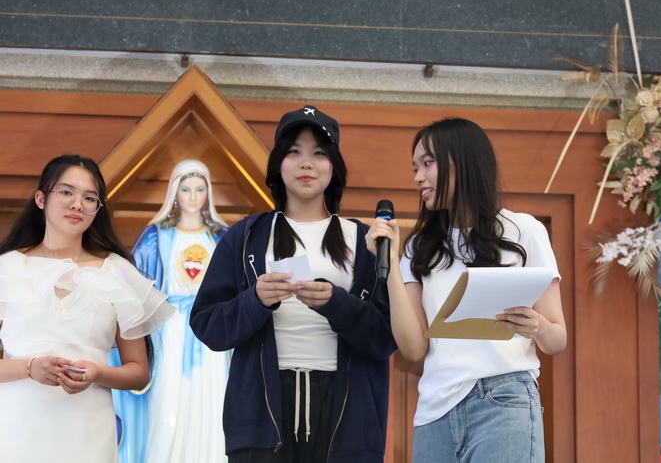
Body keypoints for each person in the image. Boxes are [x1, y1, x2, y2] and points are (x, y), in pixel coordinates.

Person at [190, 106, 396, 463]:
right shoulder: (246, 236)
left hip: (348, 416)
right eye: (294, 151)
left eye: (319, 153)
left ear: (334, 167)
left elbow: (386, 338)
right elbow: (208, 325)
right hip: (261, 415)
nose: (306, 163)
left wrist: (337, 304)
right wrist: (255, 300)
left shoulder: (365, 240)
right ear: (278, 166)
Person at [366, 117, 567, 463]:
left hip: (503, 399)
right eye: (414, 168)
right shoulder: (419, 247)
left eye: (427, 163)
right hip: (435, 412)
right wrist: (393, 267)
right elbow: (413, 348)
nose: (418, 177)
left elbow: (557, 340)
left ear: (462, 161)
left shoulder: (524, 230)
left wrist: (537, 326)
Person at [0, 155, 174, 463]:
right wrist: (31, 367)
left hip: (88, 430)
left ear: (98, 209)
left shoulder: (117, 272)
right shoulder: (6, 267)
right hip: (14, 428)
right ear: (41, 198)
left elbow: (139, 371)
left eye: (89, 198)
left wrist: (96, 373)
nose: (77, 204)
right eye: (66, 192)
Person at [113, 159, 230, 463]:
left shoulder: (223, 237)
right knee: (165, 401)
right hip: (169, 330)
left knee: (213, 398)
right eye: (186, 189)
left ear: (209, 192)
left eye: (200, 189)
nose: (193, 197)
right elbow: (133, 287)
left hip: (212, 332)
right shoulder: (156, 237)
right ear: (174, 193)